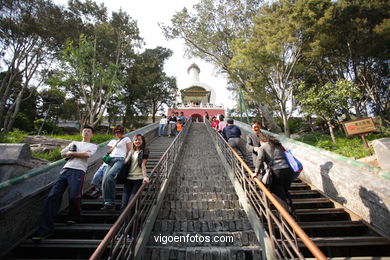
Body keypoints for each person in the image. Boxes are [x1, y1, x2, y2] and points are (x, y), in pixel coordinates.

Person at [32, 126, 97, 240]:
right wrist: (77, 153)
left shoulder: (92, 146)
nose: (86, 132)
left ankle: (74, 216)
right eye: (84, 131)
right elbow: (63, 153)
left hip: (79, 171)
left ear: (92, 135)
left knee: (74, 196)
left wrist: (72, 153)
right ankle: (45, 230)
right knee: (53, 196)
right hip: (65, 170)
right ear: (81, 133)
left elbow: (87, 155)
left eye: (89, 131)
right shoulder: (74, 142)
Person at [253, 133, 295, 215]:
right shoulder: (278, 145)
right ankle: (292, 212)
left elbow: (260, 159)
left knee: (279, 196)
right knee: (285, 191)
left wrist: (256, 172)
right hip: (288, 171)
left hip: (276, 172)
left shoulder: (263, 147)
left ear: (262, 140)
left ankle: (286, 220)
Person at [101, 125, 132, 211]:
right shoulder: (116, 141)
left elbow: (131, 150)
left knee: (110, 176)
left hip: (120, 159)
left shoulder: (127, 139)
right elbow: (111, 151)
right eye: (116, 132)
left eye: (119, 132)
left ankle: (110, 201)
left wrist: (127, 158)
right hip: (111, 160)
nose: (117, 133)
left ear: (122, 132)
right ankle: (107, 203)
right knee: (104, 181)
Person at [121, 134, 150, 211]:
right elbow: (126, 163)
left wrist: (145, 176)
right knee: (123, 204)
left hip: (138, 179)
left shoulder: (145, 150)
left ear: (142, 141)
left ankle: (131, 222)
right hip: (128, 179)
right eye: (136, 140)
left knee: (131, 203)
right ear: (133, 141)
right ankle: (125, 223)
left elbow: (143, 164)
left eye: (139, 139)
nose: (137, 141)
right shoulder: (131, 152)